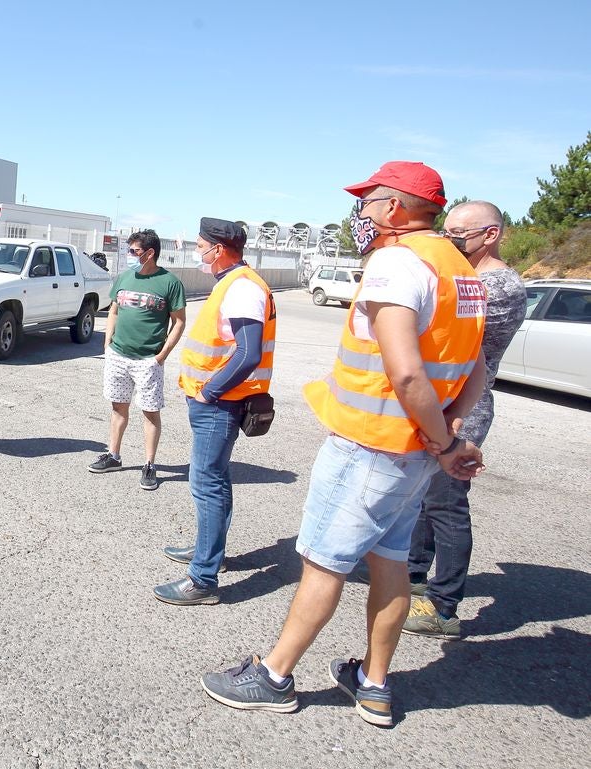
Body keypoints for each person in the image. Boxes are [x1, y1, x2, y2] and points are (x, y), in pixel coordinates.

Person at [201, 161, 487, 727]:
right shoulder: (461, 269)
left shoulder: (396, 263)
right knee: (393, 564)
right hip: (413, 454)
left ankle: (274, 675)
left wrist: (442, 440)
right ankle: (374, 684)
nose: (360, 213)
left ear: (395, 208)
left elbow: (405, 374)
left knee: (324, 563)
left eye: (368, 202)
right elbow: (477, 368)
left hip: (369, 445)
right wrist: (445, 435)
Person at [403, 201, 526, 640]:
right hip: (438, 403)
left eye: (459, 233)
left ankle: (444, 606)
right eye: (447, 231)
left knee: (447, 502)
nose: (450, 239)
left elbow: (451, 336)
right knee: (421, 498)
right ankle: (413, 576)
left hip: (465, 409)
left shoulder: (499, 285)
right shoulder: (468, 276)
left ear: (490, 235)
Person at [153, 218, 275, 606]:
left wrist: (210, 391)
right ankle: (208, 552)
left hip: (220, 404)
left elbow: (248, 352)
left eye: (201, 245)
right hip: (216, 403)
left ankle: (202, 579)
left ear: (219, 249)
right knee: (213, 481)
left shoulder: (242, 288)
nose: (197, 252)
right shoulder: (236, 282)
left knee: (207, 484)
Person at [88, 229, 186, 490]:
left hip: (148, 360)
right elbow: (114, 310)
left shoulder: (170, 283)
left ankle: (149, 464)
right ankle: (114, 455)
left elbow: (179, 323)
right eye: (129, 250)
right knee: (118, 407)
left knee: (150, 412)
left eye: (134, 251)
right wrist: (107, 343)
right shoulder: (123, 278)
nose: (130, 256)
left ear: (150, 253)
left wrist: (162, 356)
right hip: (118, 356)